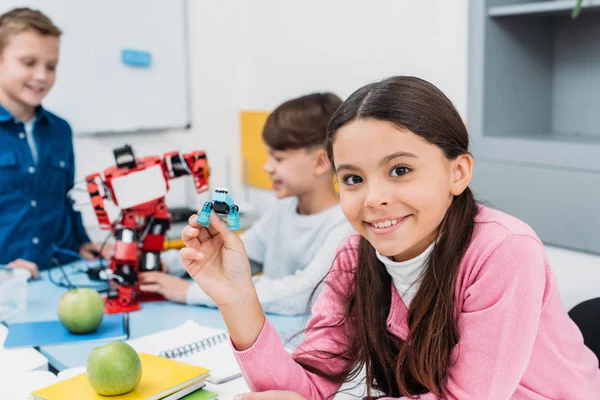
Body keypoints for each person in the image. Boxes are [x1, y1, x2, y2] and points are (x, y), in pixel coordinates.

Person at [179, 76, 600, 399]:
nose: (375, 199)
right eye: (354, 178)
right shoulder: (353, 257)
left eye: (400, 170)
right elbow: (307, 388)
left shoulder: (504, 251)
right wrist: (237, 299)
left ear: (458, 172)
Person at [140, 92, 354, 315]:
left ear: (321, 161)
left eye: (278, 158)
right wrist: (163, 262)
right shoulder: (283, 211)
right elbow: (238, 256)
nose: (267, 167)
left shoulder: (345, 226)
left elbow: (303, 296)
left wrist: (189, 292)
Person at [0, 8, 110, 278]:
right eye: (28, 62)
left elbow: (67, 198)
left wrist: (83, 241)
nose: (41, 75)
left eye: (51, 66)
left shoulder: (60, 130)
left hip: (62, 274)